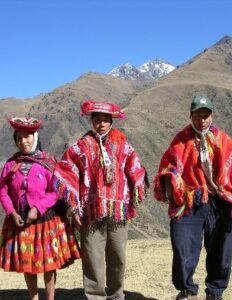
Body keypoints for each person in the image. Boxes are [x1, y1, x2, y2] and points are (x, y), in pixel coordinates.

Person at [154, 96, 232, 300]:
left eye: (205, 116)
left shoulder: (223, 139)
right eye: (197, 115)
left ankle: (215, 291)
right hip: (190, 200)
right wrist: (171, 179)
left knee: (221, 247)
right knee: (182, 245)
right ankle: (186, 288)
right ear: (191, 116)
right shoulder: (181, 140)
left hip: (219, 201)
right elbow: (167, 166)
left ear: (211, 116)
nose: (201, 120)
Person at [54, 100, 148, 300]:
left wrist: (136, 187)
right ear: (92, 121)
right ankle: (95, 296)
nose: (102, 124)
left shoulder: (123, 145)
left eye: (106, 120)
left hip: (118, 211)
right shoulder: (80, 147)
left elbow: (135, 168)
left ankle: (116, 295)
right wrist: (73, 206)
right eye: (97, 120)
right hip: (90, 211)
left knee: (118, 257)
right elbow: (65, 172)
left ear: (111, 121)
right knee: (92, 258)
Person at [0, 117, 80, 300]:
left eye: (27, 137)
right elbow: (2, 191)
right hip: (20, 221)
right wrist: (11, 212)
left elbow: (55, 191)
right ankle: (33, 298)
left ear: (35, 137)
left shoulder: (48, 161)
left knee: (48, 264)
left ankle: (50, 298)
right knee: (28, 263)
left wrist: (37, 208)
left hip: (46, 220)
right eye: (19, 138)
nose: (23, 141)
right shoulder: (11, 164)